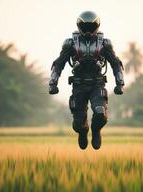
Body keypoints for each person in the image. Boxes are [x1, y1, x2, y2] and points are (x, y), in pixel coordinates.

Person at [48, 11, 124, 150]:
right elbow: (59, 63)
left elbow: (116, 63)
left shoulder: (105, 44)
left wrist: (120, 83)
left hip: (97, 84)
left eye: (91, 26)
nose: (88, 30)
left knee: (101, 113)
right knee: (77, 124)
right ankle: (83, 132)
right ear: (79, 25)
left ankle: (96, 131)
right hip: (79, 85)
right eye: (85, 26)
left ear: (97, 25)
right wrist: (53, 83)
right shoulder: (70, 44)